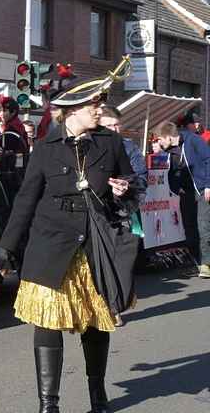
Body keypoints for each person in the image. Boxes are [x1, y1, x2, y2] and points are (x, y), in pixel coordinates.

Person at [0, 69, 141, 413]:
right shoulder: (44, 149)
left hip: (94, 246)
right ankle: (49, 404)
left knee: (95, 321)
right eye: (94, 104)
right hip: (50, 244)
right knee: (46, 320)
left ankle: (98, 397)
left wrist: (124, 190)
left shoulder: (111, 143)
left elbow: (132, 189)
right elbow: (26, 200)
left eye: (100, 103)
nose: (99, 109)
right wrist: (6, 246)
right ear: (72, 109)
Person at [98, 105, 147, 327]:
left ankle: (117, 305)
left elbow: (141, 179)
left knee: (124, 264)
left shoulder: (129, 148)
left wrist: (127, 186)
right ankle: (109, 308)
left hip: (126, 213)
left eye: (117, 125)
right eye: (108, 126)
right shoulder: (91, 148)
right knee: (103, 264)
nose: (114, 129)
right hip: (99, 213)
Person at [152, 121, 210, 278]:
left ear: (169, 137)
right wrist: (176, 190)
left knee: (203, 225)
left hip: (201, 189)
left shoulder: (193, 140)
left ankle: (206, 263)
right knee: (189, 227)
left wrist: (208, 185)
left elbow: (208, 159)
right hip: (186, 193)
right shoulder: (169, 150)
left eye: (159, 139)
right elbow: (172, 170)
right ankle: (194, 263)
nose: (158, 142)